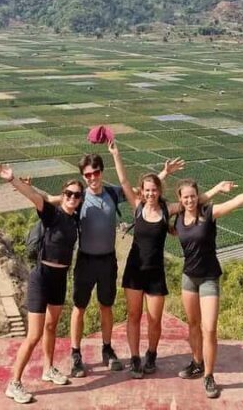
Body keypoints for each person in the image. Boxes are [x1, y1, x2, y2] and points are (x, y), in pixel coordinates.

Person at [39, 133, 184, 378]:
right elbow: (50, 201)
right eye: (88, 175)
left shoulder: (112, 193)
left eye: (96, 172)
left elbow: (142, 192)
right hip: (85, 260)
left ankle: (107, 348)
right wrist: (24, 187)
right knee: (79, 307)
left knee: (107, 306)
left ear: (101, 172)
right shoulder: (78, 197)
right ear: (83, 177)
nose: (93, 177)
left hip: (108, 261)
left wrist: (163, 174)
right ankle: (76, 353)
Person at [108, 139, 237, 379]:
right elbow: (125, 182)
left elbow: (195, 201)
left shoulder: (168, 210)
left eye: (154, 190)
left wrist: (218, 189)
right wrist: (116, 154)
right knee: (134, 316)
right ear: (142, 192)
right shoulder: (137, 207)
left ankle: (151, 354)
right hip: (135, 270)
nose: (150, 193)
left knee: (154, 320)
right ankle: (135, 358)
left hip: (155, 272)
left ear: (160, 192)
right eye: (146, 190)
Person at [175, 174, 243, 400]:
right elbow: (153, 210)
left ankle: (209, 375)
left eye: (193, 196)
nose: (190, 201)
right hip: (188, 279)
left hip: (209, 278)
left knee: (209, 328)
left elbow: (235, 202)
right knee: (193, 325)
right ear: (180, 199)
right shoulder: (176, 220)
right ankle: (196, 363)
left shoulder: (208, 213)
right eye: (185, 197)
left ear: (197, 197)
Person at [0, 163, 84, 404]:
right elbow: (35, 197)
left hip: (60, 278)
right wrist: (13, 180)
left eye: (77, 195)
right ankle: (14, 383)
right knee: (34, 334)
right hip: (42, 277)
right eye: (68, 194)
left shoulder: (76, 219)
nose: (72, 198)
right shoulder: (51, 214)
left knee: (52, 326)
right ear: (62, 195)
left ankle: (48, 368)